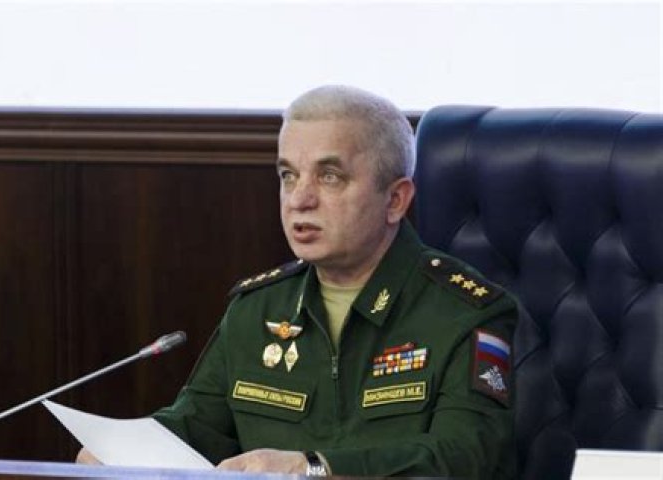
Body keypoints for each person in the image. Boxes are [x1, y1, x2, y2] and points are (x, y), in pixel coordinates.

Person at [78, 85, 518, 478]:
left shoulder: (463, 312)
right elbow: (195, 428)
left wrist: (313, 468)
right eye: (288, 175)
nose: (300, 199)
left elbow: (466, 457)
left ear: (395, 200)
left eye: (330, 177)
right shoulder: (256, 309)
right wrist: (119, 452)